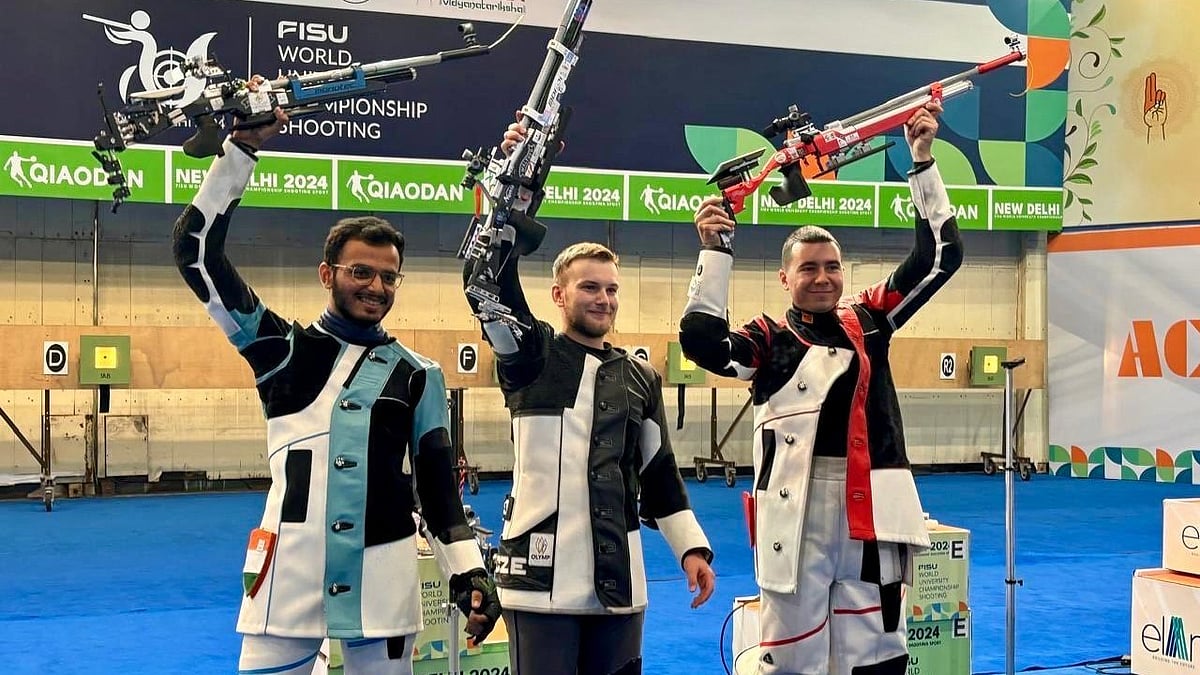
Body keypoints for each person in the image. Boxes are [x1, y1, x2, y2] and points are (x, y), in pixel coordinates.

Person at [171, 77, 500, 675]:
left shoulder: (419, 375)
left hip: (386, 574)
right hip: (286, 573)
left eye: (388, 276)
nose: (375, 286)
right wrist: (241, 149)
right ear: (328, 274)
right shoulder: (278, 349)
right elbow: (196, 256)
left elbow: (437, 488)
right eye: (360, 272)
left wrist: (468, 573)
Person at [681, 101, 961, 674]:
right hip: (795, 517)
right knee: (791, 662)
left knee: (877, 658)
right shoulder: (766, 338)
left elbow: (939, 258)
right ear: (786, 277)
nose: (823, 277)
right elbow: (703, 343)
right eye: (809, 268)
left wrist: (923, 161)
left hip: (872, 513)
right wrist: (715, 250)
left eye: (832, 266)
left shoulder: (871, 319)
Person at [458, 122, 717, 675]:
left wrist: (690, 548)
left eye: (611, 288)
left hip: (621, 580)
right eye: (589, 287)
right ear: (559, 295)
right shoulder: (529, 356)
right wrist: (514, 185)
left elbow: (660, 475)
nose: (604, 299)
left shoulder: (642, 377)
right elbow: (485, 284)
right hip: (537, 584)